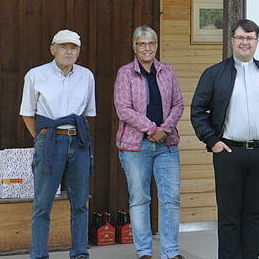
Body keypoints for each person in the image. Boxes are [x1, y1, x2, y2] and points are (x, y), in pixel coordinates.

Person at [190, 19, 259, 259]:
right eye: (240, 38)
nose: (244, 42)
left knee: (253, 214)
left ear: (256, 42)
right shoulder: (214, 73)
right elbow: (198, 111)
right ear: (232, 41)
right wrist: (212, 141)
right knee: (229, 216)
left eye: (250, 38)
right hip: (228, 153)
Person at [19, 29, 96, 259]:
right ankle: (38, 255)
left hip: (78, 142)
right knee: (42, 204)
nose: (68, 51)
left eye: (73, 48)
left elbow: (87, 113)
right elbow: (26, 113)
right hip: (49, 141)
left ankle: (80, 254)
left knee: (80, 203)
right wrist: (41, 137)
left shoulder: (87, 76)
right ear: (53, 49)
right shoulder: (35, 75)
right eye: (63, 47)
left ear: (79, 52)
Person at [113, 25, 184, 259]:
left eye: (151, 43)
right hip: (136, 147)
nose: (147, 48)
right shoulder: (125, 73)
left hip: (167, 145)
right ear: (134, 47)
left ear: (156, 45)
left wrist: (164, 129)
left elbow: (178, 104)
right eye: (142, 43)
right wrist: (152, 129)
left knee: (171, 198)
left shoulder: (167, 71)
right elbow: (123, 109)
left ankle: (171, 252)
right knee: (140, 199)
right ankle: (144, 251)